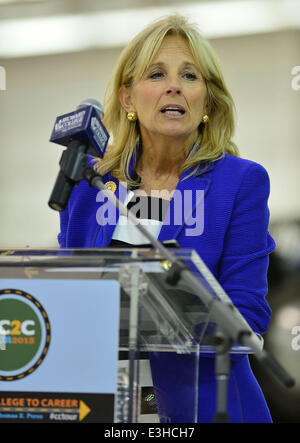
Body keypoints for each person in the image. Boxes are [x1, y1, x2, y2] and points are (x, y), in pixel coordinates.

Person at [57, 14, 276, 423]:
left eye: (190, 76)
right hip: (106, 408)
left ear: (207, 103)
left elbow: (247, 312)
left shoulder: (239, 182)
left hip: (208, 408)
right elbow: (70, 299)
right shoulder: (90, 181)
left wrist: (146, 315)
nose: (174, 85)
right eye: (156, 74)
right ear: (128, 100)